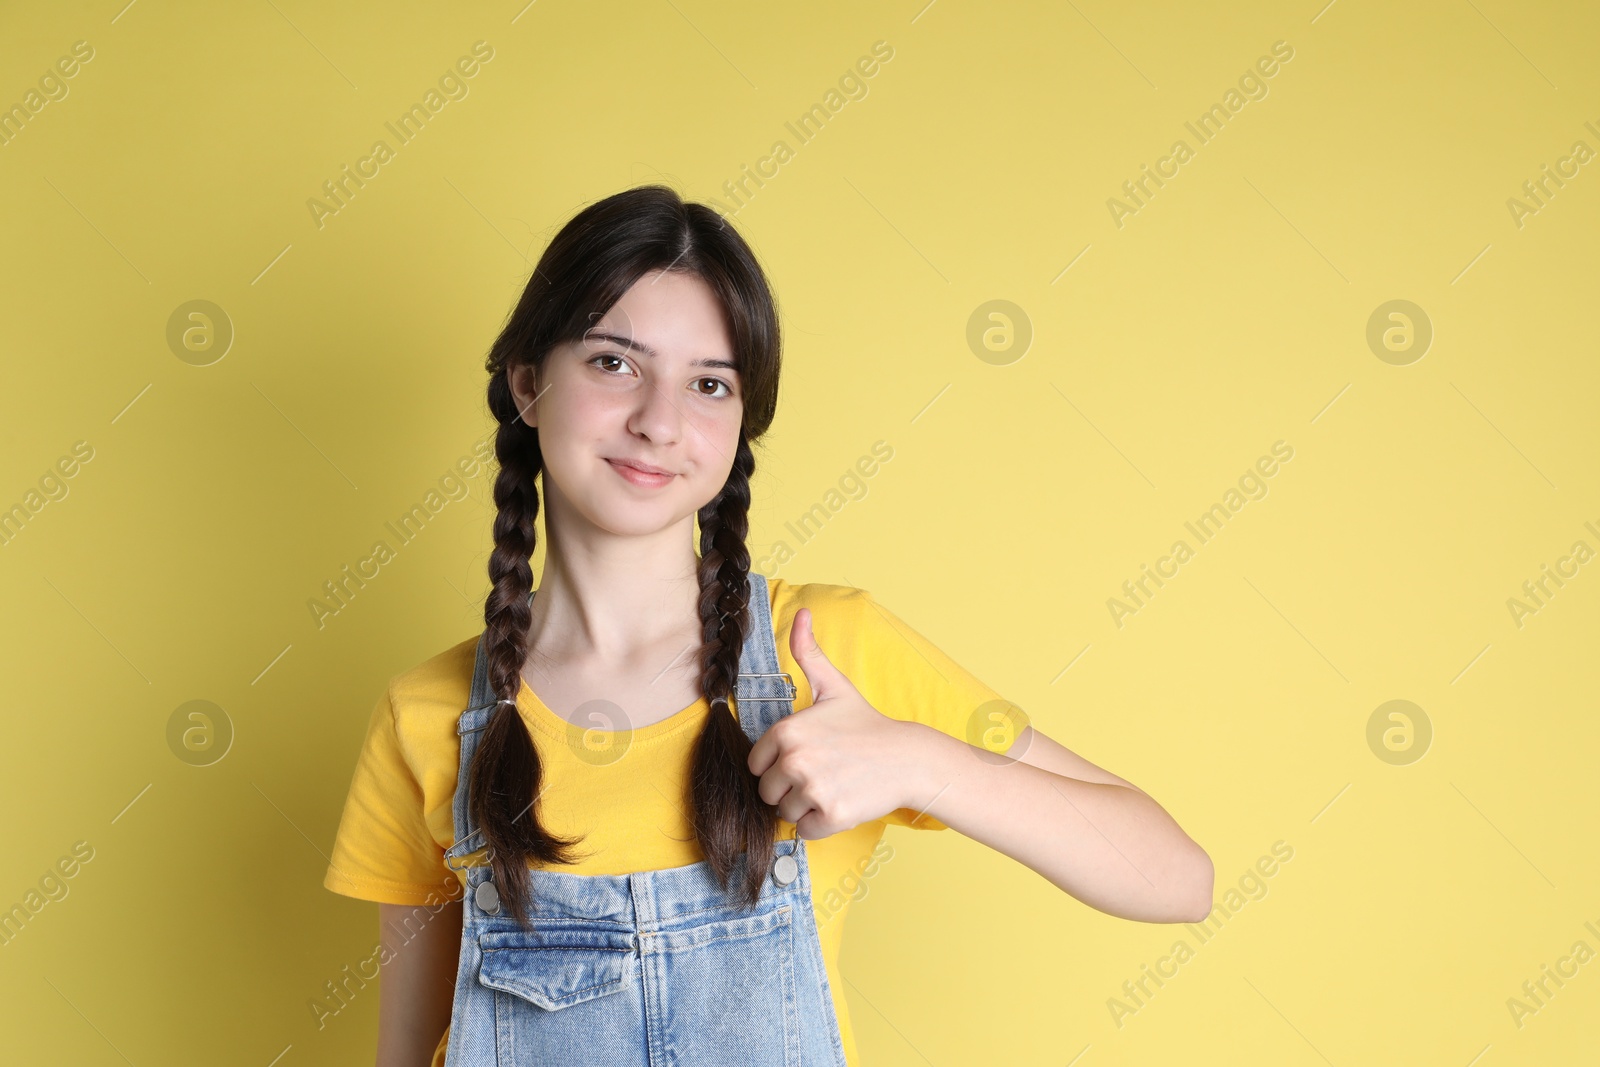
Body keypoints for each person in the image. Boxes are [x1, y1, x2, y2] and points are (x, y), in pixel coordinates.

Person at [322, 184, 1213, 1066]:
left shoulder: (824, 652)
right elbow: (406, 1047)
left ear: (741, 422)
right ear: (527, 382)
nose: (659, 421)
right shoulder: (427, 716)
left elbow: (1177, 878)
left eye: (710, 384)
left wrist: (921, 761)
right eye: (613, 363)